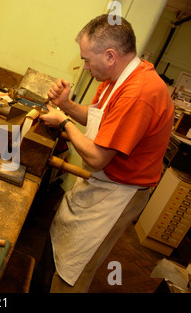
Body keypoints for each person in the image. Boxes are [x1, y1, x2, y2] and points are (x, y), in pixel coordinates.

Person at [32, 14, 174, 293]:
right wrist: (67, 106)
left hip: (118, 193)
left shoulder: (139, 92)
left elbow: (97, 157)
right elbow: (103, 122)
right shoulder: (117, 79)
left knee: (76, 267)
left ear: (110, 55)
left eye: (87, 59)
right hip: (100, 181)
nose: (84, 66)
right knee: (62, 245)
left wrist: (64, 122)